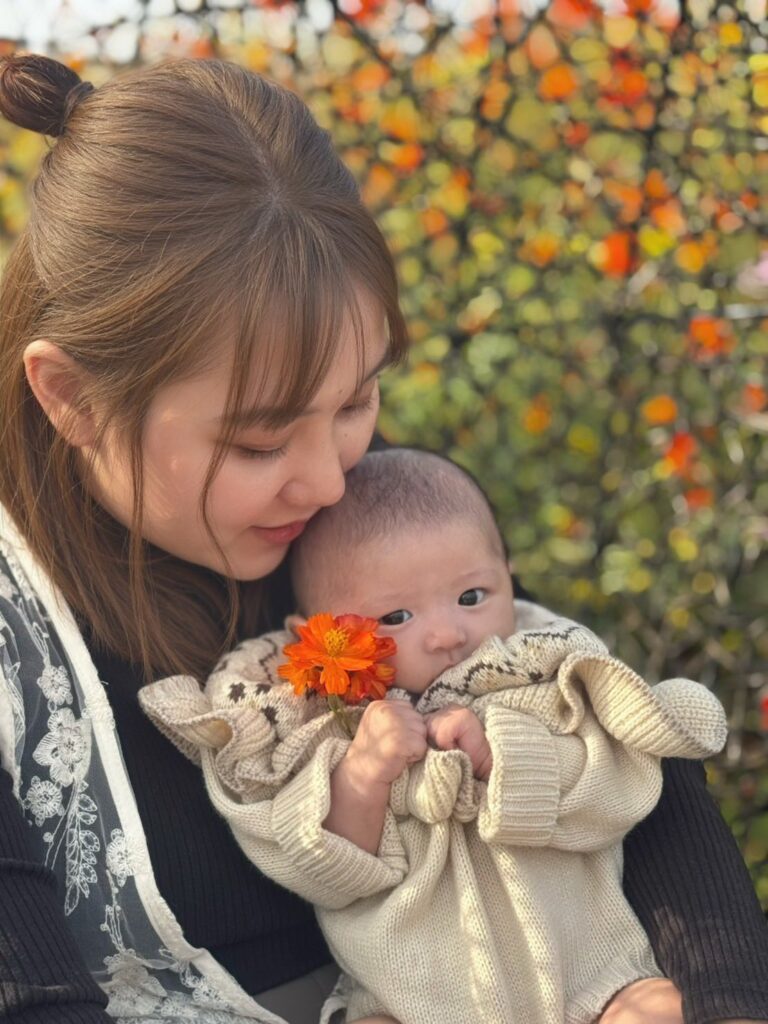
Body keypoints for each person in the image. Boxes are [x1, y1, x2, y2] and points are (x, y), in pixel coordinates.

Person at [0, 50, 765, 1024]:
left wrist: (720, 1000)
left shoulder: (355, 511)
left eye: (357, 397)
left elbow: (610, 742)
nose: (328, 478)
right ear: (70, 397)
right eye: (261, 437)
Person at [140, 448, 729, 1024]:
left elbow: (622, 791)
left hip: (593, 984)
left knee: (655, 1010)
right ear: (318, 637)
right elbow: (317, 871)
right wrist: (363, 776)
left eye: (472, 597)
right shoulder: (324, 729)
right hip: (412, 1004)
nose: (448, 634)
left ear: (510, 582)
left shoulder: (550, 680)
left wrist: (509, 756)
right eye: (395, 617)